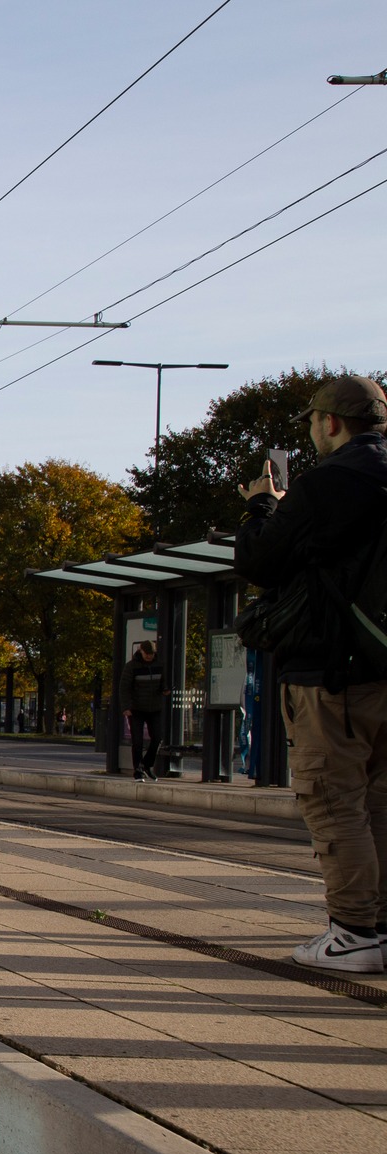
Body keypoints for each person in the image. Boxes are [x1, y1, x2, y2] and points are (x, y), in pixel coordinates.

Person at [235, 373, 387, 973]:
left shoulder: (327, 485)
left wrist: (261, 506)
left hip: (329, 672)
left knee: (333, 801)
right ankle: (380, 928)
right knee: (381, 802)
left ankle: (353, 932)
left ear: (330, 423)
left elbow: (261, 562)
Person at [119, 640, 168, 781]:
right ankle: (138, 770)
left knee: (157, 738)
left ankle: (146, 764)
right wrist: (126, 707)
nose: (149, 657)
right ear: (141, 651)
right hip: (136, 709)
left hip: (154, 708)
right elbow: (124, 688)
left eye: (151, 654)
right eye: (147, 654)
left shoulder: (159, 664)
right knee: (138, 741)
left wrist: (165, 689)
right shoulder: (131, 666)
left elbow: (163, 681)